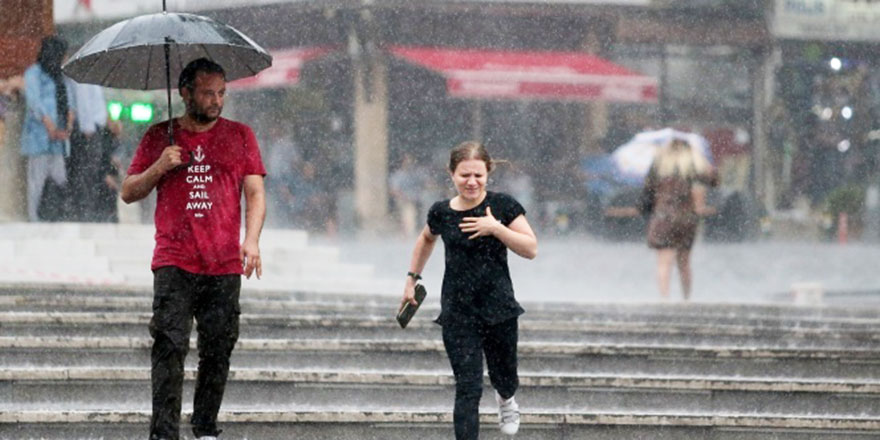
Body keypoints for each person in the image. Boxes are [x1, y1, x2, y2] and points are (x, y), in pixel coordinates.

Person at [121, 58, 266, 440]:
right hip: (174, 261)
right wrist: (158, 168)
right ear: (185, 93)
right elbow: (128, 191)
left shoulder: (241, 136)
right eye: (207, 93)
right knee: (169, 346)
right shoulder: (159, 136)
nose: (217, 101)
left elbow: (255, 193)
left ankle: (204, 429)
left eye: (221, 93)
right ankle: (164, 433)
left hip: (223, 263)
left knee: (218, 349)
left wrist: (251, 239)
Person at [400, 141, 537, 439]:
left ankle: (506, 398)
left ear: (488, 173)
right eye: (464, 175)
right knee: (468, 388)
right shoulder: (441, 212)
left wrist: (496, 228)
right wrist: (412, 278)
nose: (471, 182)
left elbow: (531, 248)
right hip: (458, 312)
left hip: (499, 307)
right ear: (451, 174)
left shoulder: (502, 206)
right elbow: (426, 239)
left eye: (478, 175)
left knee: (505, 376)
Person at [640, 138, 717, 301]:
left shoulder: (660, 166)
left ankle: (664, 299)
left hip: (664, 218)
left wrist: (645, 210)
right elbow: (713, 181)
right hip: (686, 218)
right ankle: (686, 298)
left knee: (663, 262)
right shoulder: (692, 166)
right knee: (684, 263)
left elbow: (647, 191)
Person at [21, 36, 75, 222]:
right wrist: (49, 126)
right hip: (39, 137)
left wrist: (67, 126)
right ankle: (35, 218)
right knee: (37, 179)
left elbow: (70, 104)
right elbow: (34, 103)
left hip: (59, 140)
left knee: (60, 178)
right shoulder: (34, 73)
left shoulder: (61, 76)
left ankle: (57, 214)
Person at [66, 80, 123, 222]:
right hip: (90, 130)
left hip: (98, 127)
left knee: (92, 172)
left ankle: (92, 210)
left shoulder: (94, 81)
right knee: (88, 173)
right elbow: (83, 102)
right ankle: (85, 211)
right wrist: (88, 128)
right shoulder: (82, 80)